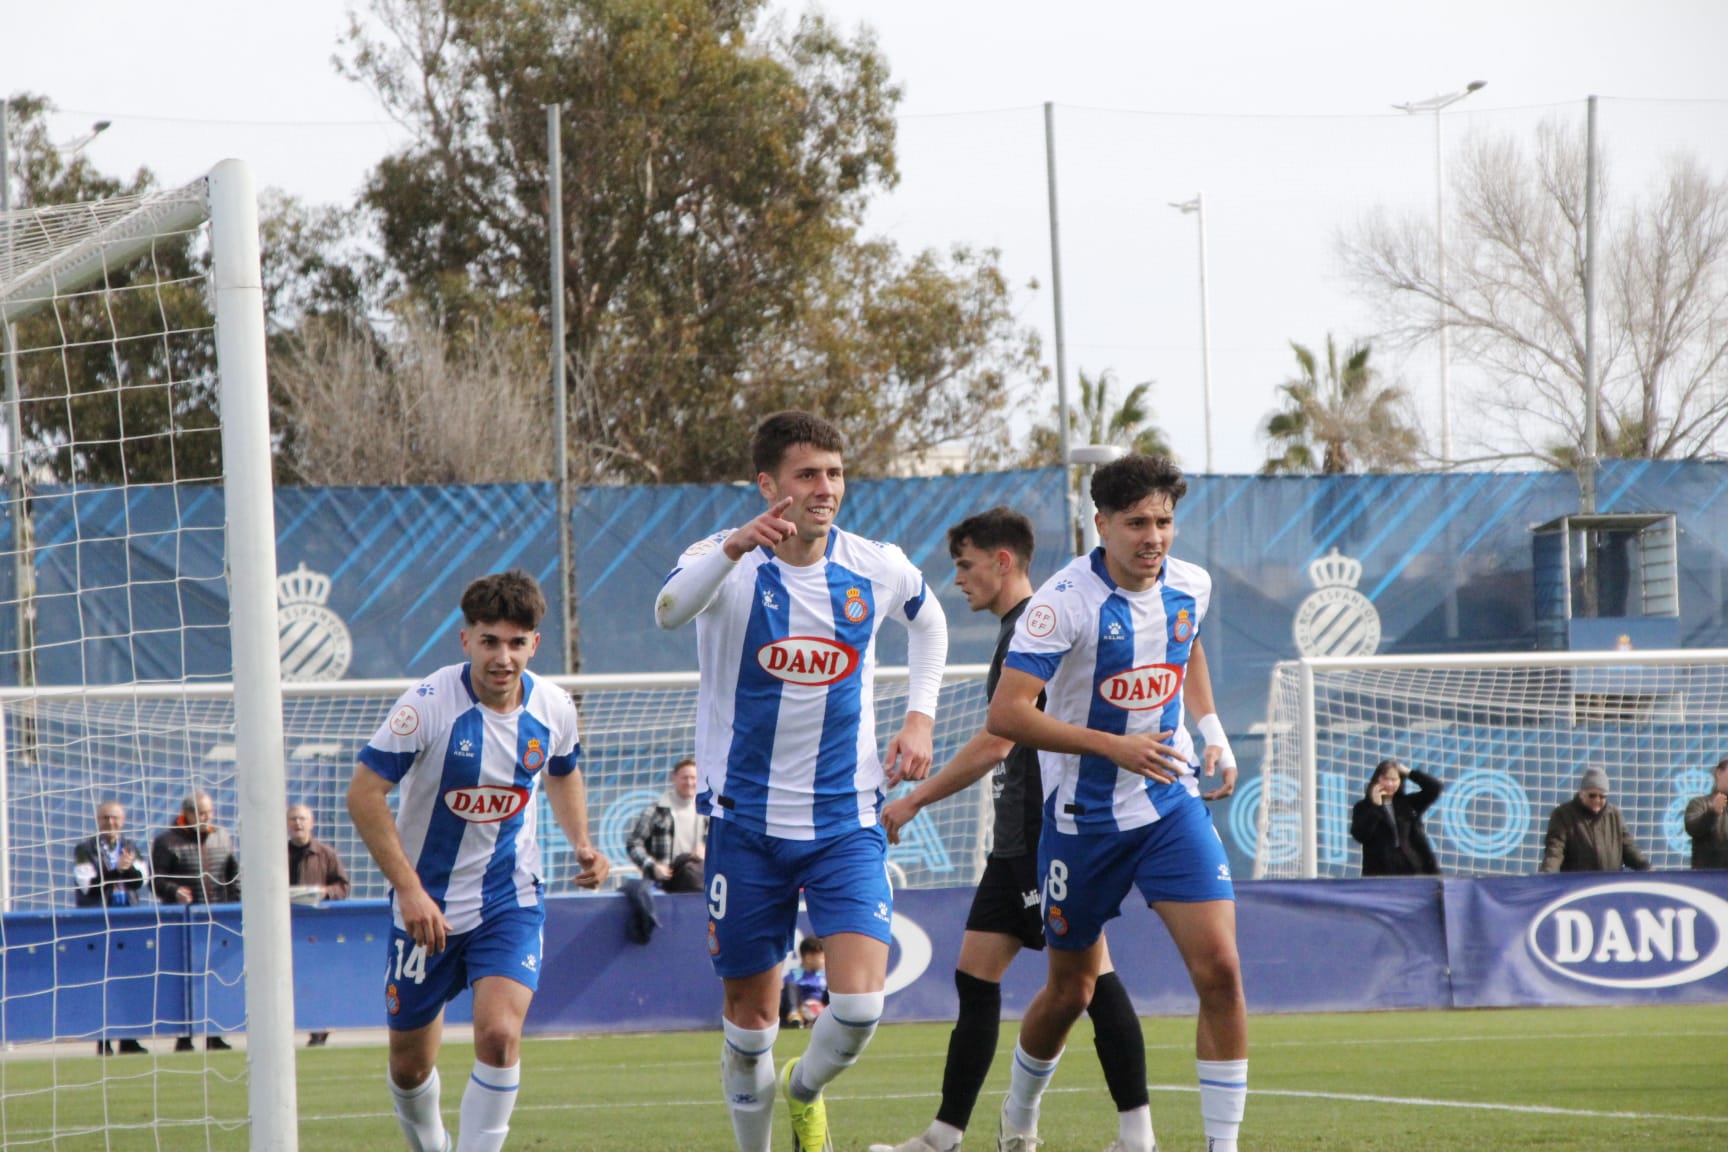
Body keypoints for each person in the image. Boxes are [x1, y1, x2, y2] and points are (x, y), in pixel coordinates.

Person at [654, 409, 948, 1152]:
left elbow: (929, 619)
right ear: (768, 485)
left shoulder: (873, 565)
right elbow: (667, 611)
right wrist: (730, 548)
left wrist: (920, 716)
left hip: (846, 820)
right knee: (750, 1025)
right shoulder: (724, 563)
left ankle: (806, 1089)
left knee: (858, 1006)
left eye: (835, 473)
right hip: (745, 823)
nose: (825, 488)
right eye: (807, 474)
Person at [870, 506, 1154, 1152]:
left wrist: (915, 800)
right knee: (977, 975)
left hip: (1044, 828)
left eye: (965, 567)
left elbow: (998, 744)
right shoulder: (1021, 626)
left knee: (1088, 977)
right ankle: (945, 1134)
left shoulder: (1032, 627)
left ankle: (1136, 1133)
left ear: (1003, 562)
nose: (958, 581)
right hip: (1015, 839)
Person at [987, 454, 1247, 1152]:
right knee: (1071, 992)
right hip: (1081, 823)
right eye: (1136, 523)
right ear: (1100, 524)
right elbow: (1008, 715)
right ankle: (1019, 1111)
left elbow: (1183, 645)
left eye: (1164, 521)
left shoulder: (1190, 584)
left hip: (1168, 805)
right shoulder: (1062, 604)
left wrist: (1211, 732)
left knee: (1221, 971)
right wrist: (1112, 746)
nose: (1153, 536)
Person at [348, 570, 610, 1152]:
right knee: (410, 1068)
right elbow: (363, 794)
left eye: (516, 643)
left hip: (509, 898)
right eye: (489, 641)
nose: (503, 657)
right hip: (427, 908)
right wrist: (411, 891)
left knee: (498, 1034)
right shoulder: (426, 707)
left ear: (534, 646)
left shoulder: (554, 707)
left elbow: (563, 774)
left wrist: (582, 843)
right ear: (465, 640)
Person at [152, 791, 241, 1052]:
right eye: (202, 813)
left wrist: (234, 906)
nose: (207, 817)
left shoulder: (222, 837)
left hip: (217, 919)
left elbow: (233, 875)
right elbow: (156, 881)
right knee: (184, 980)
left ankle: (214, 1032)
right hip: (182, 923)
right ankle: (184, 1035)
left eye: (209, 812)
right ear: (188, 814)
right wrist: (174, 891)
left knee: (214, 977)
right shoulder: (166, 842)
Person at [74, 799, 151, 1055]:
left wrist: (126, 871)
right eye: (106, 817)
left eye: (115, 818)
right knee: (101, 982)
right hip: (98, 920)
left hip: (127, 919)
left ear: (123, 820)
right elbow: (88, 885)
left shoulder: (130, 848)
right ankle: (103, 1039)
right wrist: (115, 871)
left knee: (129, 981)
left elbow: (141, 880)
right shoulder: (85, 849)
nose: (111, 822)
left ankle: (128, 1038)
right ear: (98, 820)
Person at [287, 802, 352, 1046]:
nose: (298, 823)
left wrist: (325, 892)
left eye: (302, 819)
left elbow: (343, 887)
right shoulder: (277, 854)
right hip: (287, 930)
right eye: (293, 819)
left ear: (312, 823)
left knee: (316, 979)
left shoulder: (326, 854)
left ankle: (318, 1029)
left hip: (317, 932)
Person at [1538, 766, 1652, 874]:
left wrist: (1646, 867)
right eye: (1592, 795)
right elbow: (1555, 850)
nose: (1597, 800)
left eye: (1602, 796)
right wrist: (1548, 873)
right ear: (1582, 793)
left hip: (1608, 887)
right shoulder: (1563, 815)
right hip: (1577, 887)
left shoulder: (1615, 816)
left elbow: (1628, 849)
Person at [625, 757, 707, 893]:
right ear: (673, 778)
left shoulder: (706, 813)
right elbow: (633, 843)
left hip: (696, 881)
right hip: (663, 884)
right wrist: (652, 866)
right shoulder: (655, 810)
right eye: (684, 778)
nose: (689, 782)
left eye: (693, 778)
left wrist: (706, 851)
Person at [1349, 759, 1443, 877]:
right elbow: (1360, 835)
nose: (1390, 784)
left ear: (1400, 781)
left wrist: (1407, 771)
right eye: (1385, 779)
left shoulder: (1407, 804)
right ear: (1376, 780)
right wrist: (1375, 807)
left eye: (1394, 779)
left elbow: (1434, 788)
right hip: (1381, 872)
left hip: (1412, 869)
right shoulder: (1363, 807)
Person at [1684, 757, 1728, 870]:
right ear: (1719, 773)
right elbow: (1693, 828)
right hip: (1707, 877)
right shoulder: (1700, 803)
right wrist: (1712, 813)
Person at [780, 936, 829, 1028]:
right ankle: (794, 1015)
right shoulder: (793, 976)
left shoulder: (825, 977)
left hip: (821, 1011)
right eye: (822, 958)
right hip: (800, 1009)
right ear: (809, 958)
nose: (824, 961)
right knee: (790, 986)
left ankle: (829, 1018)